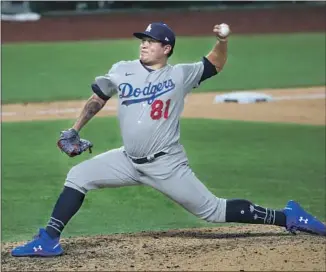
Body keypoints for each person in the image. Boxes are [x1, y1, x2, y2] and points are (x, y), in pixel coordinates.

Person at [11, 22, 326, 257]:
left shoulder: (180, 75)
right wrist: (75, 128)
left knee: (212, 211)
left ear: (167, 48)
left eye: (151, 41)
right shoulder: (122, 70)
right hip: (127, 160)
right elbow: (99, 97)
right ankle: (49, 240)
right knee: (79, 175)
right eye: (143, 40)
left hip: (166, 164)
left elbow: (215, 64)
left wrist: (222, 39)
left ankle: (289, 217)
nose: (144, 44)